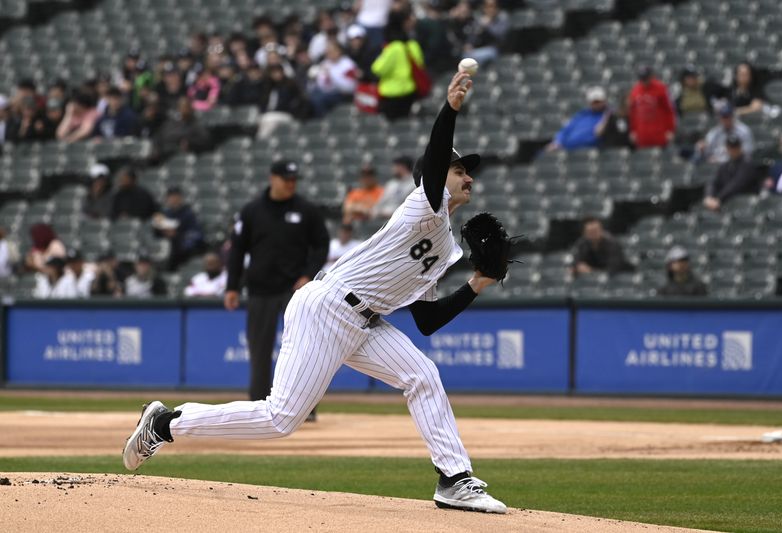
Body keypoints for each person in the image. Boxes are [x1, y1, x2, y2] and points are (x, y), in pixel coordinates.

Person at [123, 70, 508, 515]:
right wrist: (451, 109)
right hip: (327, 307)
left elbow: (427, 320)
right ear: (438, 176)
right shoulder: (425, 206)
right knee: (280, 419)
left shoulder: (445, 247)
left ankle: (454, 480)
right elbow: (437, 154)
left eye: (468, 171)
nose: (468, 177)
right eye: (461, 169)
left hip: (366, 323)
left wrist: (476, 284)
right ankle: (166, 424)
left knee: (422, 375)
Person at [222, 159, 329, 402]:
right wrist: (232, 286)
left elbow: (322, 245)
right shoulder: (252, 211)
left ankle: (304, 405)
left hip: (295, 290)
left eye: (294, 180)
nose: (291, 184)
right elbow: (237, 250)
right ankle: (258, 403)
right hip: (260, 290)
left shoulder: (306, 210)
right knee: (259, 350)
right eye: (286, 179)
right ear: (273, 178)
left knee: (302, 350)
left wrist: (308, 275)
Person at [371, 9, 423, 121]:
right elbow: (420, 64)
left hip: (392, 95)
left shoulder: (394, 48)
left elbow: (377, 69)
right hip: (410, 92)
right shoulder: (413, 45)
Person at [703, 134, 761, 212]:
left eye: (735, 147)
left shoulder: (747, 164)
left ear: (740, 147)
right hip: (726, 202)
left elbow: (736, 184)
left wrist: (719, 199)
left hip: (744, 205)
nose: (733, 149)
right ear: (727, 148)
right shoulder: (725, 165)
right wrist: (709, 196)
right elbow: (713, 182)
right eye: (731, 147)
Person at [153, 186, 205, 271]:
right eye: (171, 197)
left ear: (181, 198)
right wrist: (163, 232)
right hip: (167, 246)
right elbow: (156, 232)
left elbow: (196, 233)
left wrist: (177, 234)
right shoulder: (164, 214)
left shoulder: (188, 214)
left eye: (176, 196)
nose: (173, 199)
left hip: (183, 249)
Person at [546, 87, 611, 151]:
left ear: (604, 101)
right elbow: (566, 129)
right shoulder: (582, 114)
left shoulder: (608, 116)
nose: (596, 104)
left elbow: (598, 134)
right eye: (594, 102)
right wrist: (557, 142)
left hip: (587, 150)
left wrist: (607, 117)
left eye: (598, 101)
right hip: (566, 148)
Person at [255, 65, 310, 140]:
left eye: (278, 72)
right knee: (263, 119)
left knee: (267, 120)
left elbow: (300, 101)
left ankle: (261, 142)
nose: (276, 75)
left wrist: (295, 113)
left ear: (282, 72)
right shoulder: (268, 87)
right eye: (273, 73)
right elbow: (262, 103)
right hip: (270, 114)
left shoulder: (290, 85)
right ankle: (263, 143)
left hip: (285, 114)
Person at [627, 66, 676, 148]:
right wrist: (633, 130)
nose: (644, 81)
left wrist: (670, 130)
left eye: (646, 78)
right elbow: (633, 113)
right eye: (642, 78)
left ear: (651, 76)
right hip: (642, 135)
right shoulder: (635, 90)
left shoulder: (661, 88)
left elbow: (669, 111)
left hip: (659, 134)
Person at [308, 40, 358, 117]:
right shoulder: (325, 63)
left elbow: (350, 86)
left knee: (319, 99)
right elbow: (321, 82)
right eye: (327, 51)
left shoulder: (348, 64)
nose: (328, 53)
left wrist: (331, 75)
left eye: (331, 51)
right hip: (326, 92)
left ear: (339, 51)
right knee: (310, 96)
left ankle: (322, 122)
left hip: (343, 94)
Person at [152, 96, 211, 161]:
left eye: (185, 106)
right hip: (167, 156)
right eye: (181, 107)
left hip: (186, 157)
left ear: (190, 108)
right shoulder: (170, 123)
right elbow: (158, 136)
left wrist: (190, 143)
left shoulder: (196, 124)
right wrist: (156, 149)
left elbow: (205, 140)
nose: (183, 109)